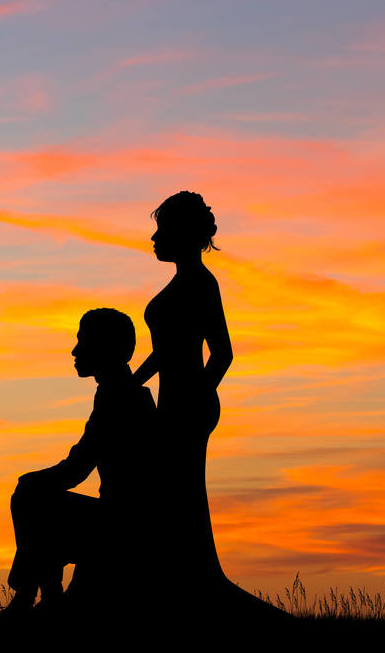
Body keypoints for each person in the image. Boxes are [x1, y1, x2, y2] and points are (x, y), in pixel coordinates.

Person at [133, 191, 285, 620]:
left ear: (183, 234)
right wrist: (134, 381)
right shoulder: (183, 283)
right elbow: (165, 351)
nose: (154, 238)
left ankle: (192, 595)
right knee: (167, 495)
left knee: (179, 494)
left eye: (162, 230)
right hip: (172, 402)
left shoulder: (202, 283)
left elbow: (222, 352)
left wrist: (198, 395)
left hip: (190, 405)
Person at [5, 308, 157, 615]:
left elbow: (76, 469)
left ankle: (37, 597)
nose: (75, 351)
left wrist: (31, 483)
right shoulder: (117, 393)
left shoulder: (119, 398)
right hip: (122, 520)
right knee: (34, 495)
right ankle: (41, 596)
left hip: (125, 526)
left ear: (104, 347)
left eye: (82, 341)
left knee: (30, 496)